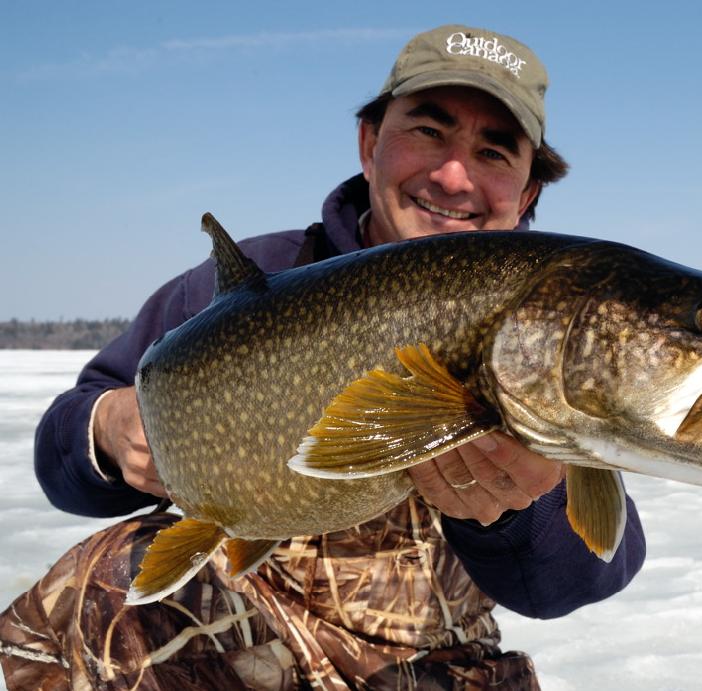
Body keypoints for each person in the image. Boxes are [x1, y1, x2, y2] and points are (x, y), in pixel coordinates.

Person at [1, 25, 645, 690]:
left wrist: (518, 504)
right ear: (369, 144)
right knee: (102, 581)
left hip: (426, 669)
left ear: (528, 193)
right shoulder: (254, 282)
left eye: (493, 151)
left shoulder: (538, 326)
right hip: (224, 651)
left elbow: (580, 576)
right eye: (429, 132)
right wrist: (107, 428)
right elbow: (64, 446)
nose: (454, 177)